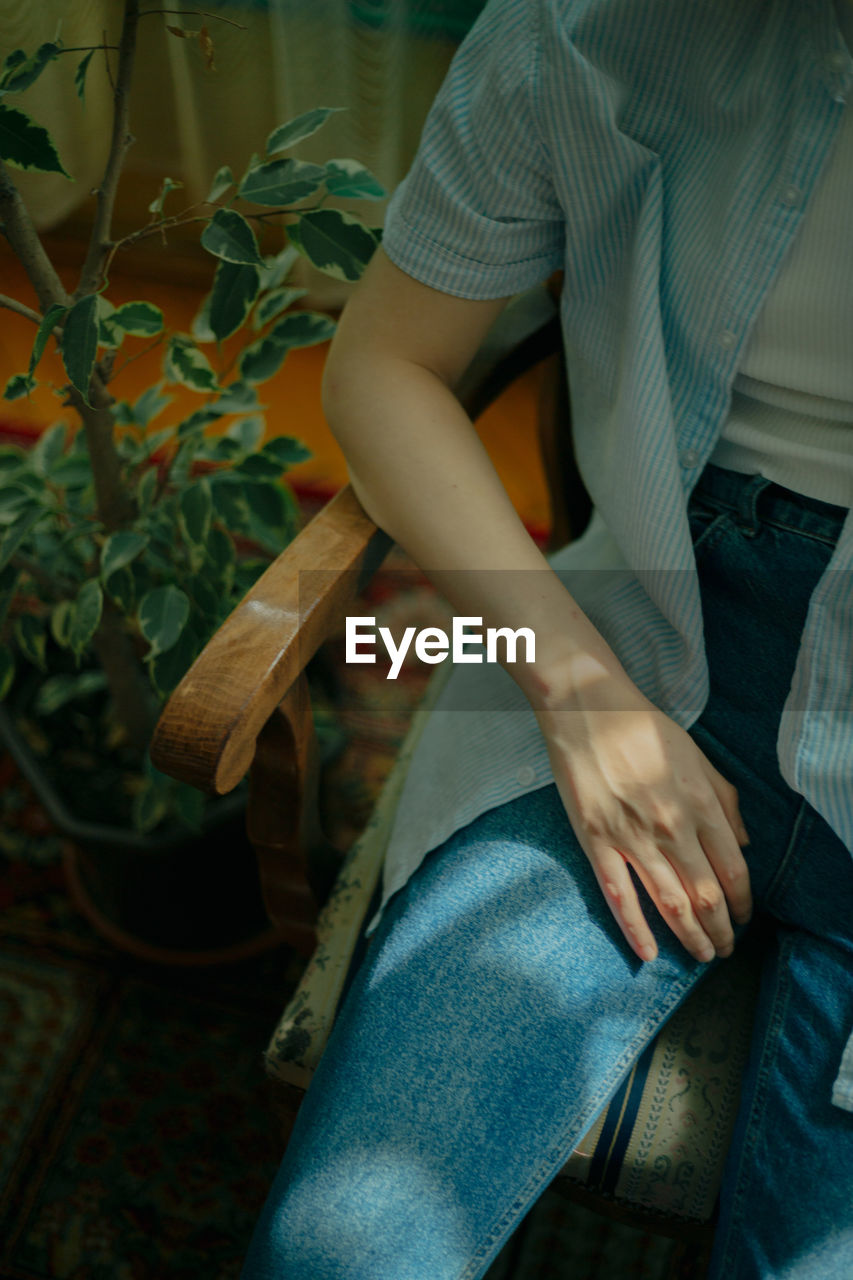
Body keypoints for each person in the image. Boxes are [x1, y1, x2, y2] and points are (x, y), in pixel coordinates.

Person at [240, 1, 853, 1276]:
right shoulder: (579, 25)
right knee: (338, 1255)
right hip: (641, 633)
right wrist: (578, 688)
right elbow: (382, 366)